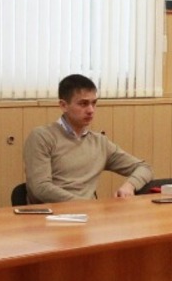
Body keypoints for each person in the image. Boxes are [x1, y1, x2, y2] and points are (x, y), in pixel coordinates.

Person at [22, 73, 152, 203]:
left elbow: (144, 168)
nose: (91, 110)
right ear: (63, 105)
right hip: (55, 212)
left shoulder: (99, 142)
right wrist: (85, 205)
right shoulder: (42, 137)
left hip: (89, 212)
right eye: (83, 104)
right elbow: (40, 188)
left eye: (94, 103)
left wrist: (129, 186)